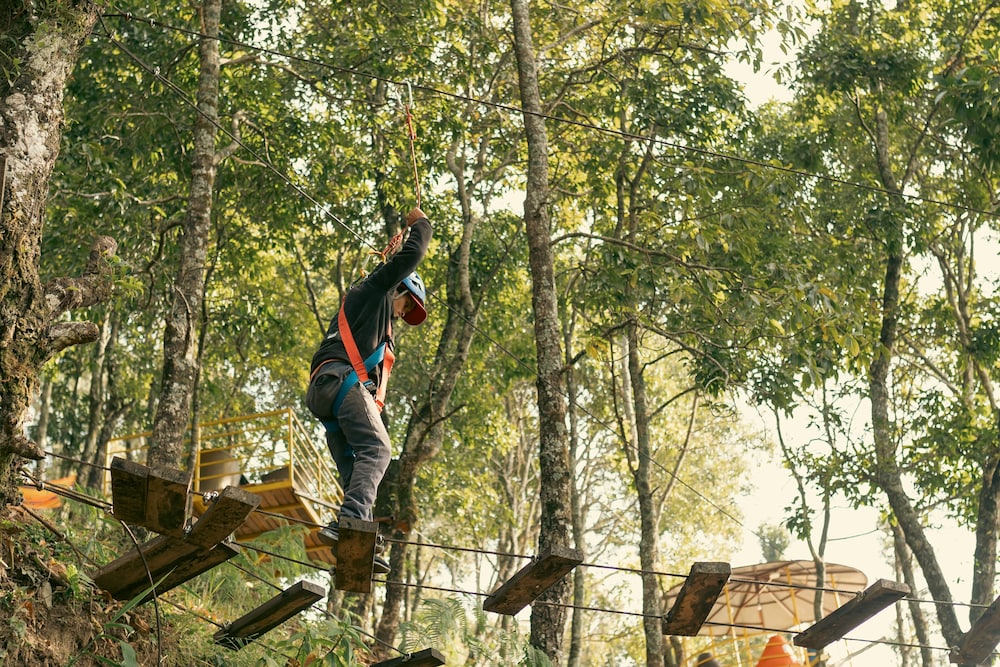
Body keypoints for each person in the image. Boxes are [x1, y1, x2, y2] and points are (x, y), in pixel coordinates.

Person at [307, 206, 432, 573]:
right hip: (340, 382)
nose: (403, 313)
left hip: (328, 392)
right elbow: (411, 256)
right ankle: (350, 522)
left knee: (358, 470)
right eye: (406, 303)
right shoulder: (374, 291)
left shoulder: (371, 319)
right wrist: (420, 225)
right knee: (378, 450)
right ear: (397, 288)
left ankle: (356, 536)